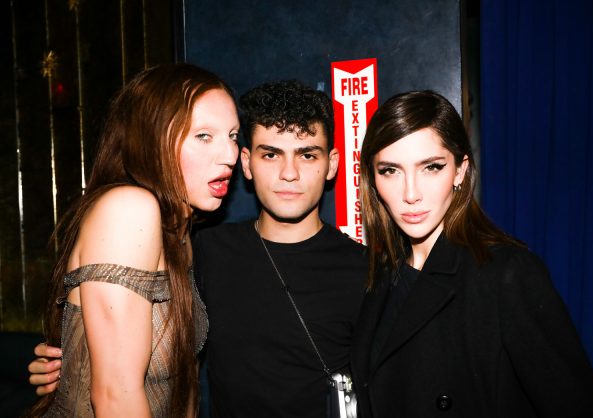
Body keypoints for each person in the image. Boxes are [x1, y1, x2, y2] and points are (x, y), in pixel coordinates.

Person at [29, 80, 367, 418]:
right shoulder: (206, 248)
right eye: (270, 154)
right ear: (247, 163)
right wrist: (75, 358)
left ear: (332, 164)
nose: (289, 173)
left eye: (307, 155)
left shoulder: (366, 270)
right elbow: (117, 379)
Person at [352, 90, 593, 417]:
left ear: (460, 170)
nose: (410, 194)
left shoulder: (506, 274)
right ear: (372, 178)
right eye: (390, 170)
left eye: (431, 167)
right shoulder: (381, 276)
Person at [27, 63, 239, 417]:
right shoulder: (129, 209)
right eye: (204, 136)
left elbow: (181, 385)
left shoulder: (181, 230)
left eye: (232, 135)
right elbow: (115, 397)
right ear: (151, 140)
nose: (230, 155)